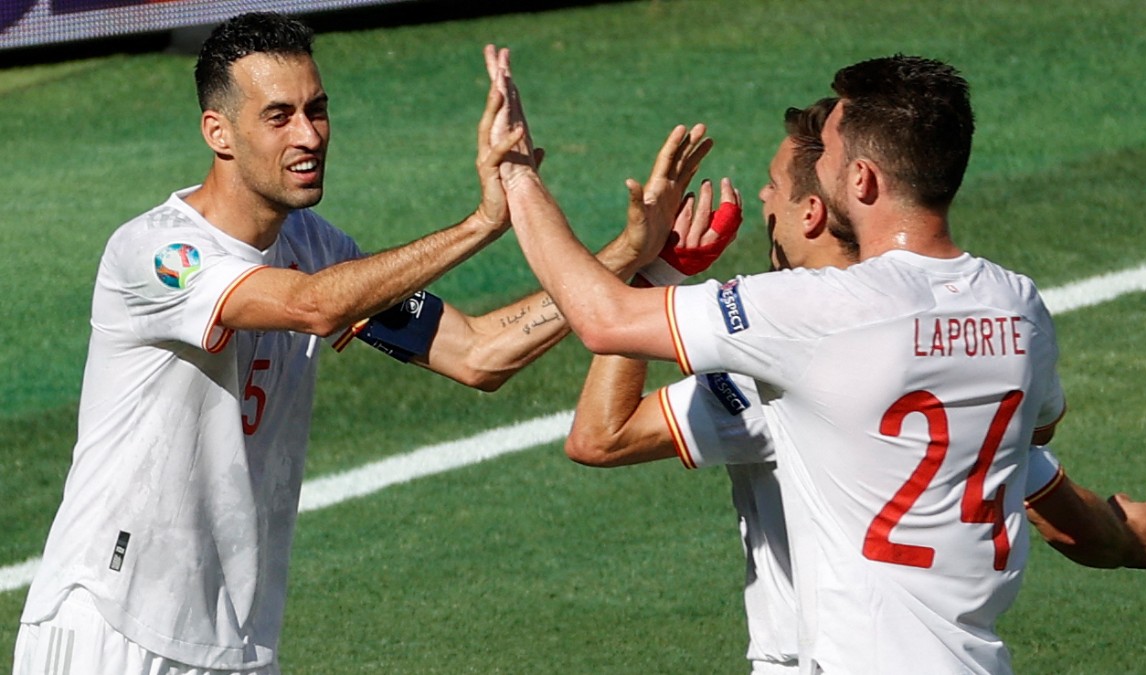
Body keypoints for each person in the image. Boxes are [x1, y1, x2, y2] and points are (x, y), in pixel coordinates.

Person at [11, 14, 707, 675]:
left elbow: (478, 354)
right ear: (218, 132)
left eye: (317, 110)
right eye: (278, 116)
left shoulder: (315, 247)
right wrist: (485, 221)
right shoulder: (156, 252)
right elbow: (313, 306)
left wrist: (627, 256)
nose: (309, 135)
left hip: (234, 638)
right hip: (112, 622)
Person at [485, 48, 1124, 673]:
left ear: (860, 182)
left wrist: (517, 173)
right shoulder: (1016, 304)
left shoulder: (811, 319)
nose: (771, 196)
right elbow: (1031, 443)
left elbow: (602, 333)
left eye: (831, 162)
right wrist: (1117, 534)